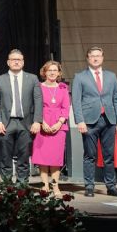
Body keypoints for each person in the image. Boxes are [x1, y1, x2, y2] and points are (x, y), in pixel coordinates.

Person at [72, 46, 117, 197]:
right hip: (89, 121)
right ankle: (89, 186)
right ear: (88, 58)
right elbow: (76, 101)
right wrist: (80, 121)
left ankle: (111, 186)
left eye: (98, 56)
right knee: (90, 155)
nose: (96, 58)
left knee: (109, 155)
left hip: (109, 120)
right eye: (92, 56)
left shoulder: (111, 76)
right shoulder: (80, 77)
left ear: (103, 58)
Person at [0, 49, 42, 183]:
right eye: (13, 59)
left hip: (26, 123)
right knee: (5, 157)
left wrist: (37, 121)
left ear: (23, 62)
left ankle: (22, 186)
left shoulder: (32, 78)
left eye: (19, 60)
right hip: (5, 123)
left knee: (24, 156)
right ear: (8, 62)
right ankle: (7, 186)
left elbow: (38, 100)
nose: (16, 62)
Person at [32, 61, 70, 197]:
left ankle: (55, 186)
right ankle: (45, 185)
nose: (52, 72)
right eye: (49, 70)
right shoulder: (38, 87)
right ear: (44, 72)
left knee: (55, 158)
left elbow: (66, 107)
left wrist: (59, 123)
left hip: (59, 125)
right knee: (43, 158)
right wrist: (42, 123)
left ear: (59, 73)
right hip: (43, 124)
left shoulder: (63, 88)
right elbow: (35, 106)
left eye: (55, 70)